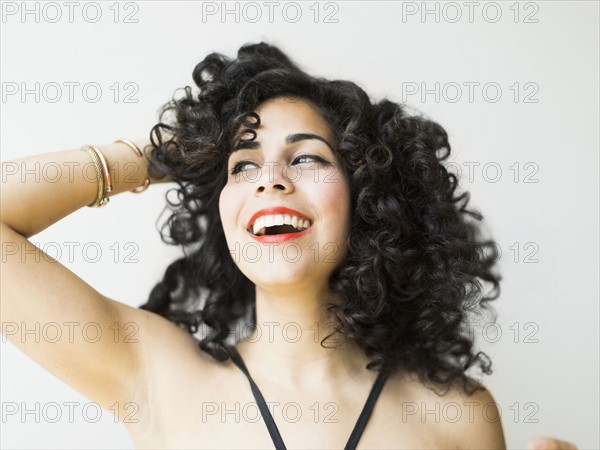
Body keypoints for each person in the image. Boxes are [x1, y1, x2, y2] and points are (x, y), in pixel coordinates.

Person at [1, 42, 578, 449]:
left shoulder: (459, 415)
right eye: (243, 165)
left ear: (367, 200)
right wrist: (165, 153)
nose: (270, 179)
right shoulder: (156, 376)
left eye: (306, 157)